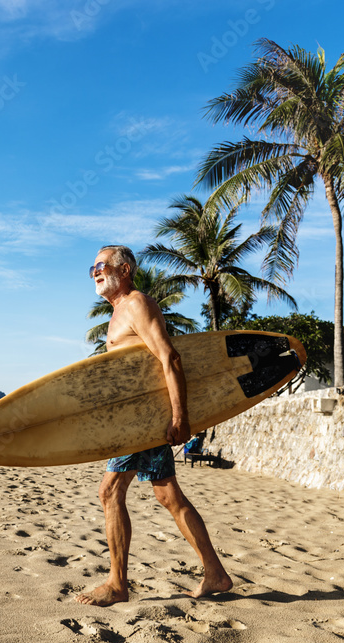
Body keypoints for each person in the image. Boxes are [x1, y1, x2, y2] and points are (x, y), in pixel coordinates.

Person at [75, 245, 233, 607]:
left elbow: (169, 357)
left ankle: (117, 584)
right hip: (138, 419)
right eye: (92, 267)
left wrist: (181, 417)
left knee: (110, 492)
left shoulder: (135, 304)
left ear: (125, 268)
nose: (95, 272)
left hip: (145, 420)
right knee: (167, 495)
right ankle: (215, 573)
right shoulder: (118, 312)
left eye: (102, 265)